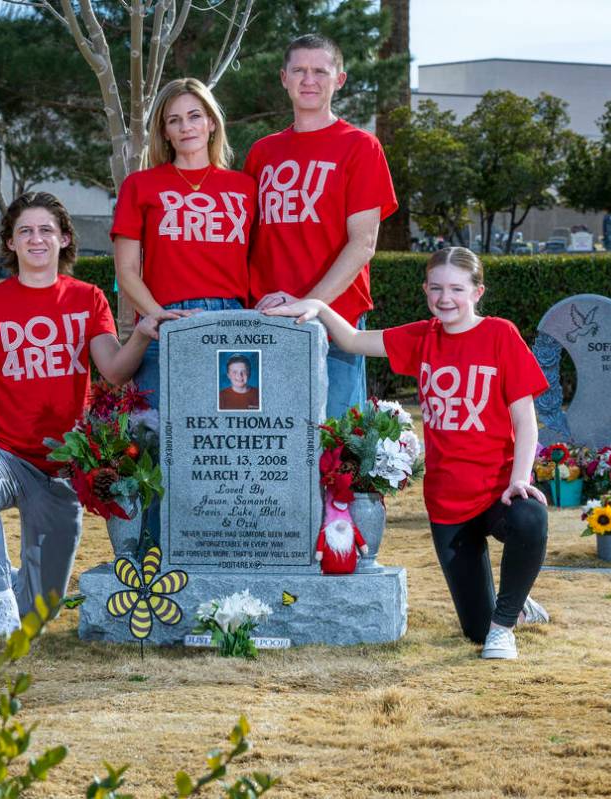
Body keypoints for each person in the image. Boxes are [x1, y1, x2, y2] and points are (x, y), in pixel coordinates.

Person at [265, 246, 552, 660]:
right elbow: (352, 339)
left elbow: (525, 419)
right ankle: (514, 604)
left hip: (497, 491)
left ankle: (504, 626)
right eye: (436, 288)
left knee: (530, 517)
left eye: (456, 288)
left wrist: (520, 480)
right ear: (425, 290)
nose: (445, 298)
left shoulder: (499, 335)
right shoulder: (422, 337)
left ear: (477, 291)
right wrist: (316, 305)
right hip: (448, 499)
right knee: (474, 628)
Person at [0, 192, 162, 645]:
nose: (36, 239)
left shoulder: (88, 299)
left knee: (41, 613)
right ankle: (0, 602)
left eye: (46, 229)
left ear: (64, 238)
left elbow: (113, 370)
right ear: (10, 242)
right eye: (24, 231)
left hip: (62, 469)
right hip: (5, 457)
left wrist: (143, 336)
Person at [244, 33, 397, 420]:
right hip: (269, 317)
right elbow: (247, 240)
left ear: (339, 80)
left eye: (319, 71)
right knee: (271, 446)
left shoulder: (360, 146)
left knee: (337, 450)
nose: (308, 80)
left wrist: (309, 304)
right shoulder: (263, 152)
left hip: (336, 319)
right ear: (283, 77)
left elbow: (363, 243)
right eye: (298, 70)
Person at [112, 77, 256, 409]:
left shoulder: (245, 187)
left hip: (231, 321)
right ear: (164, 131)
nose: (186, 127)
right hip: (164, 321)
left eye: (194, 116)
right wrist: (161, 318)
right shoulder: (140, 186)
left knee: (226, 438)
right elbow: (127, 271)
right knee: (160, 440)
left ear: (211, 123)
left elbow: (259, 261)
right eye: (174, 120)